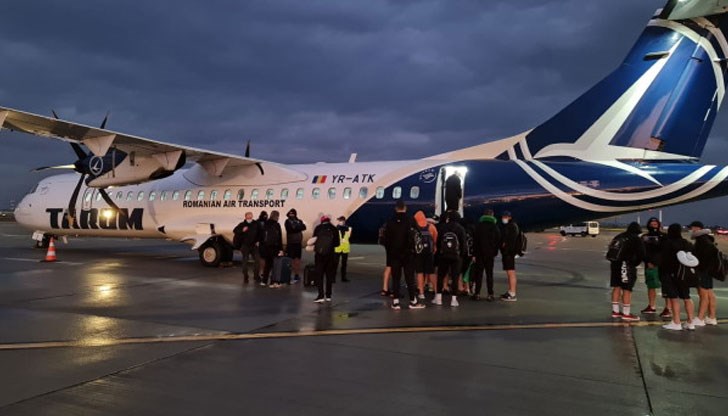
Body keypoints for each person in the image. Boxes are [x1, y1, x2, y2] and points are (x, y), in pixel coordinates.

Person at [384, 200, 425, 310]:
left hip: (394, 254)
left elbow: (385, 239)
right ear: (405, 208)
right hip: (408, 254)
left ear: (396, 208)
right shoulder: (410, 220)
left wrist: (390, 251)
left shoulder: (390, 221)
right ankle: (413, 301)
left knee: (396, 278)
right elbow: (418, 235)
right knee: (409, 278)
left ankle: (396, 302)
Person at [660, 223, 697, 330]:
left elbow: (664, 260)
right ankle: (690, 322)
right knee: (687, 297)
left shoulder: (667, 243)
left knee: (674, 298)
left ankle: (676, 322)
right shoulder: (686, 243)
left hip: (670, 274)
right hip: (684, 274)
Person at [608, 222, 645, 321]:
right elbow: (641, 253)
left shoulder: (619, 236)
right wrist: (634, 263)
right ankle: (626, 313)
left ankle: (615, 311)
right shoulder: (635, 238)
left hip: (615, 264)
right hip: (626, 264)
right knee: (627, 288)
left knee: (616, 286)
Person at [433, 211, 467, 307]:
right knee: (455, 277)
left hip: (443, 256)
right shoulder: (460, 228)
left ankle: (438, 298)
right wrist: (461, 255)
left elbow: (438, 242)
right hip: (456, 256)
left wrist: (439, 253)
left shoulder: (443, 227)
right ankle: (454, 300)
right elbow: (463, 244)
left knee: (441, 276)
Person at [690, 221, 719, 326]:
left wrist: (699, 269)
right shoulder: (708, 239)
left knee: (703, 294)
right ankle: (712, 317)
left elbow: (702, 257)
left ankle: (700, 318)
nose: (691, 230)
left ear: (698, 228)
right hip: (708, 271)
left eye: (693, 228)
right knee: (710, 293)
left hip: (703, 271)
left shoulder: (702, 241)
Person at [640, 217, 670, 317]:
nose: (654, 226)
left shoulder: (664, 237)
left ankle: (668, 308)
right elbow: (642, 251)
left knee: (666, 286)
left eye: (655, 224)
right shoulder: (645, 237)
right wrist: (647, 261)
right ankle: (651, 306)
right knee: (651, 286)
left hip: (663, 265)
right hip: (649, 265)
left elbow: (666, 250)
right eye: (652, 224)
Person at [471, 209, 501, 301]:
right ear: (492, 215)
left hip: (479, 254)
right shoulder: (495, 227)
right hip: (490, 254)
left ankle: (477, 294)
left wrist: (474, 254)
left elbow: (475, 241)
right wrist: (495, 252)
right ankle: (490, 294)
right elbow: (498, 241)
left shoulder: (479, 226)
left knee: (478, 274)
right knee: (489, 274)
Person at [312, 215, 340, 303]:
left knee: (319, 275)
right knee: (329, 276)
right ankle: (328, 295)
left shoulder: (318, 228)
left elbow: (314, 240)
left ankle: (320, 295)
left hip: (320, 255)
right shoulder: (334, 229)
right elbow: (337, 243)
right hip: (331, 255)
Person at [413, 210, 438, 300]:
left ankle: (421, 292)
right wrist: (434, 247)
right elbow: (435, 238)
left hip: (419, 253)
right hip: (429, 253)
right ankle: (436, 292)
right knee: (431, 272)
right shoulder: (431, 227)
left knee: (419, 272)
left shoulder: (415, 228)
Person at [499, 211, 520, 301]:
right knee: (510, 272)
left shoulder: (511, 227)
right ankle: (511, 291)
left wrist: (505, 248)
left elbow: (510, 241)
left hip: (509, 253)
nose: (504, 218)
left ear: (510, 217)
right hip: (509, 253)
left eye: (506, 217)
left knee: (510, 272)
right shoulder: (513, 226)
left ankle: (512, 293)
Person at [232, 212, 258, 284]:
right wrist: (242, 230)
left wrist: (258, 241)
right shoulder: (242, 224)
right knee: (245, 261)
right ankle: (245, 276)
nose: (250, 218)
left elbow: (260, 233)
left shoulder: (256, 224)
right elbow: (235, 230)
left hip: (254, 245)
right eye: (248, 217)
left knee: (257, 260)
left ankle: (256, 275)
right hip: (245, 245)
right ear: (245, 217)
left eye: (251, 217)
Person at [261, 210, 283, 287]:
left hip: (266, 247)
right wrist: (281, 249)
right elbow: (279, 238)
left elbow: (262, 236)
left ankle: (264, 281)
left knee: (267, 264)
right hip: (274, 247)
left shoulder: (265, 224)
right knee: (275, 265)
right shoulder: (276, 225)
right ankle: (273, 282)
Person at [284, 208, 306, 284]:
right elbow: (290, 229)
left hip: (298, 243)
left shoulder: (299, 221)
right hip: (291, 243)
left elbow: (304, 227)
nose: (291, 215)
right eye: (290, 214)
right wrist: (298, 228)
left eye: (293, 214)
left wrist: (296, 227)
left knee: (297, 259)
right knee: (290, 260)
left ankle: (296, 275)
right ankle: (288, 275)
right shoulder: (287, 221)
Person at [334, 216, 352, 282]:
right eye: (339, 221)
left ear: (344, 221)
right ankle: (333, 278)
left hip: (345, 248)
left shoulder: (349, 228)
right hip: (338, 248)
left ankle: (343, 277)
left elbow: (349, 236)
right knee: (335, 264)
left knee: (344, 264)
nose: (339, 222)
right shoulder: (336, 228)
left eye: (340, 220)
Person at [255, 211, 269, 283]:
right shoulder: (258, 223)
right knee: (260, 259)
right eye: (264, 215)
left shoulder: (266, 222)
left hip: (265, 243)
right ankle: (260, 273)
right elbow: (256, 233)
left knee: (263, 258)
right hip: (260, 243)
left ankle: (262, 273)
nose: (265, 217)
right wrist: (256, 241)